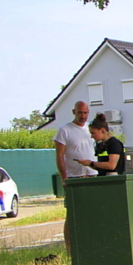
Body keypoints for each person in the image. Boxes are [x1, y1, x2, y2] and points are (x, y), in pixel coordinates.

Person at [54, 100, 97, 253]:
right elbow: (59, 156)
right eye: (80, 112)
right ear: (74, 112)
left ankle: (90, 245)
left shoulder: (91, 130)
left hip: (91, 175)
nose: (83, 116)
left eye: (86, 113)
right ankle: (70, 249)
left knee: (92, 212)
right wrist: (64, 177)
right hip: (73, 177)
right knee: (72, 214)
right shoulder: (64, 130)